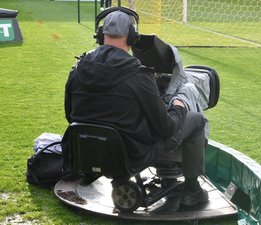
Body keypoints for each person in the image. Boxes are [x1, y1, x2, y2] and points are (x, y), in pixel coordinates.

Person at [63, 9, 209, 207]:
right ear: (132, 37)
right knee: (197, 121)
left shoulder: (77, 68)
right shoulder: (139, 75)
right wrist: (178, 106)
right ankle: (193, 190)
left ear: (100, 35)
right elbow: (166, 128)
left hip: (85, 154)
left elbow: (70, 115)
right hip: (132, 156)